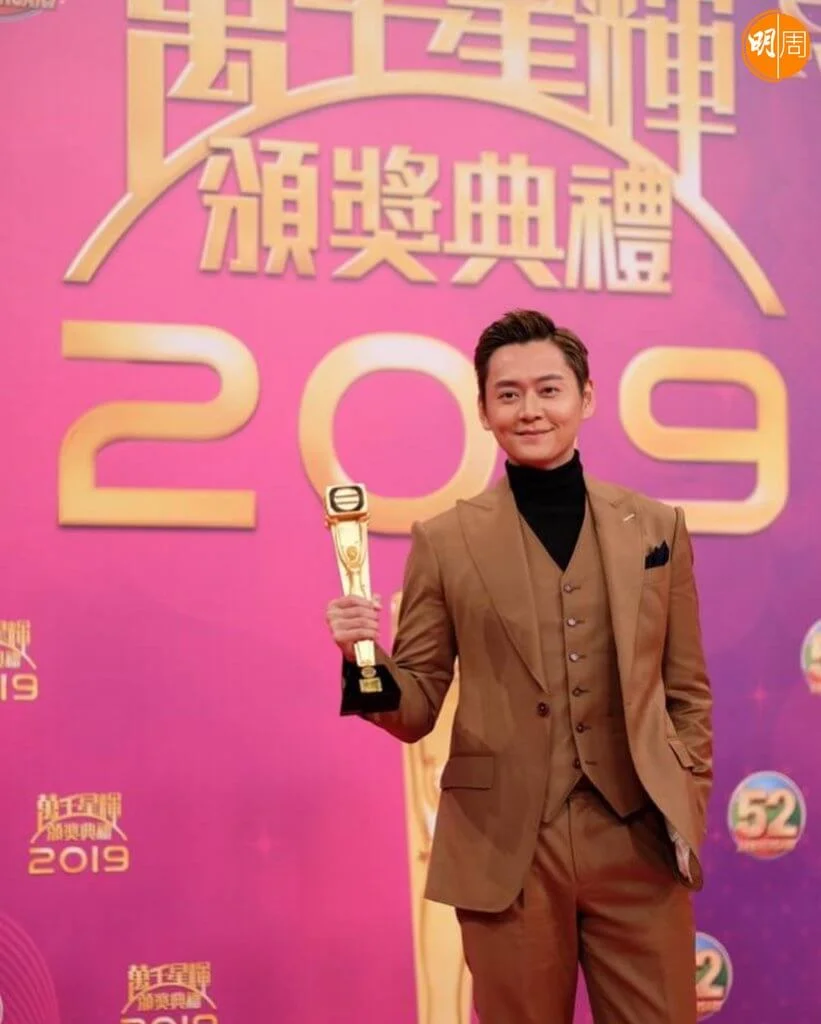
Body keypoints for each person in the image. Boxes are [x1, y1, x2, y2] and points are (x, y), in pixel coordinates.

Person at [325, 309, 713, 1023]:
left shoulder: (656, 528)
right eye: (508, 394)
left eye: (548, 389)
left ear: (585, 397)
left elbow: (686, 688)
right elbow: (416, 705)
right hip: (505, 848)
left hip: (637, 840)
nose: (529, 409)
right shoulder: (446, 540)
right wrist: (362, 659)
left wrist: (684, 793)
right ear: (483, 410)